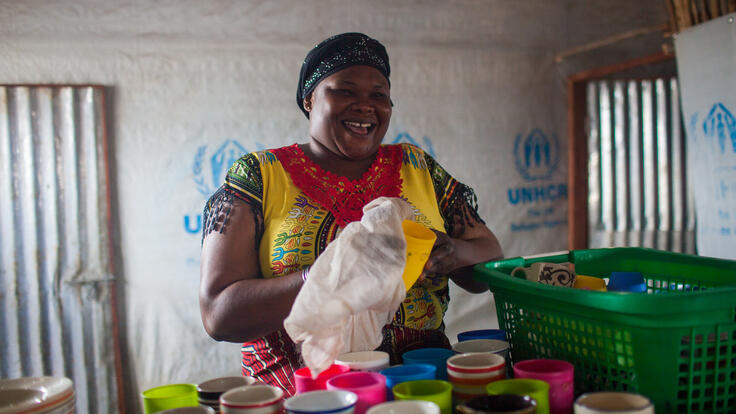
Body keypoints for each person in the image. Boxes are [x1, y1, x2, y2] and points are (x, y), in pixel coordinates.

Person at [199, 32, 503, 396]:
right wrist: (328, 274)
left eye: (379, 94)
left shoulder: (418, 168)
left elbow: (488, 262)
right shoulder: (259, 176)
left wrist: (451, 252)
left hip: (418, 388)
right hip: (302, 396)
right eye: (344, 90)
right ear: (310, 98)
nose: (365, 105)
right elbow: (219, 316)